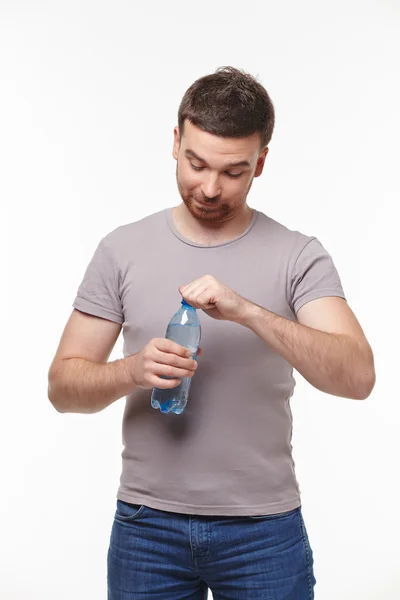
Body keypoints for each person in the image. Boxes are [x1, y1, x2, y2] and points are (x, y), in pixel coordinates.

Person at [48, 66, 375, 599]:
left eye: (233, 171)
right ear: (175, 142)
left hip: (264, 531)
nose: (209, 187)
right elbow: (62, 388)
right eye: (196, 163)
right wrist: (133, 370)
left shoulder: (298, 256)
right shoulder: (121, 249)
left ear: (261, 164)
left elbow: (358, 377)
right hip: (145, 526)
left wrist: (250, 312)